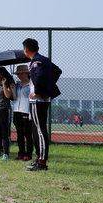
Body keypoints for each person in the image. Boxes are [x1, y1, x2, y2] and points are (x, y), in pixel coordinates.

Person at [23, 38, 62, 172]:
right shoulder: (45, 60)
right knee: (35, 130)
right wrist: (48, 87)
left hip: (38, 101)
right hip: (41, 100)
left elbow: (39, 76)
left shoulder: (36, 61)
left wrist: (39, 91)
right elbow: (58, 71)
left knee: (39, 131)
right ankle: (39, 157)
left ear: (26, 49)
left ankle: (42, 162)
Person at [13, 64, 33, 161]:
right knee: (19, 134)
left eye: (22, 74)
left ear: (27, 73)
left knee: (27, 133)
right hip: (16, 110)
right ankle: (21, 153)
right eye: (18, 74)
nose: (20, 76)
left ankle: (28, 154)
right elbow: (13, 97)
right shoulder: (16, 85)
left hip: (26, 111)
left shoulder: (31, 85)